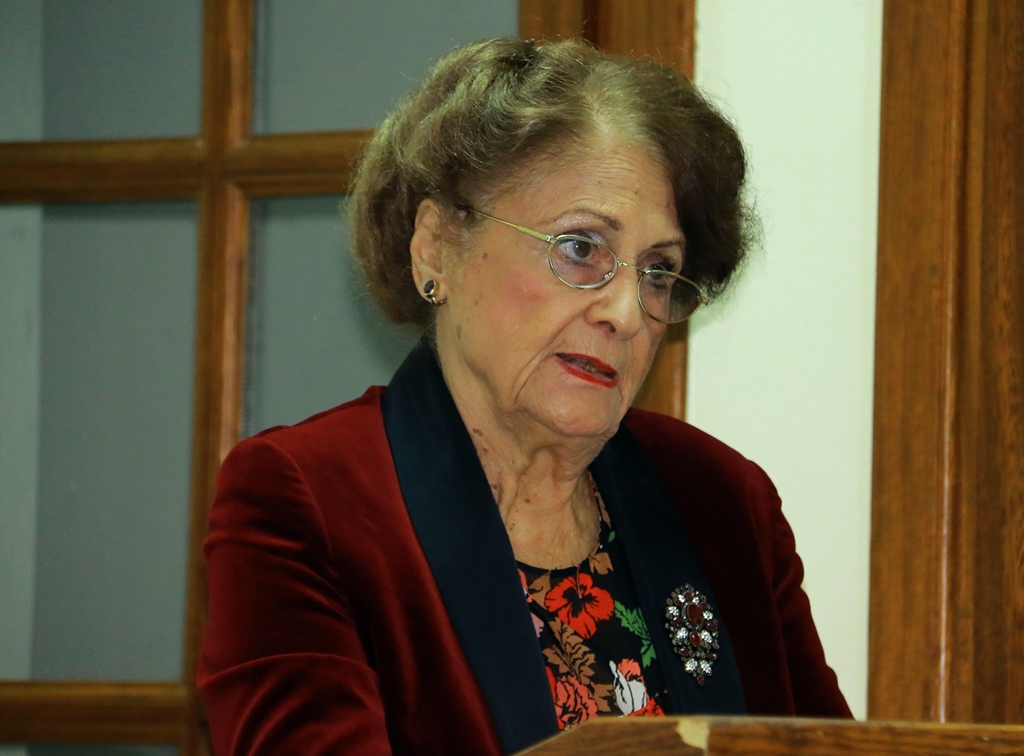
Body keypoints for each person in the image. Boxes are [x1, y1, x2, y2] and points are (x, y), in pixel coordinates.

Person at [198, 37, 851, 756]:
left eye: (658, 272)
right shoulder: (306, 499)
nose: (626, 312)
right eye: (580, 248)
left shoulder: (722, 501)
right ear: (436, 246)